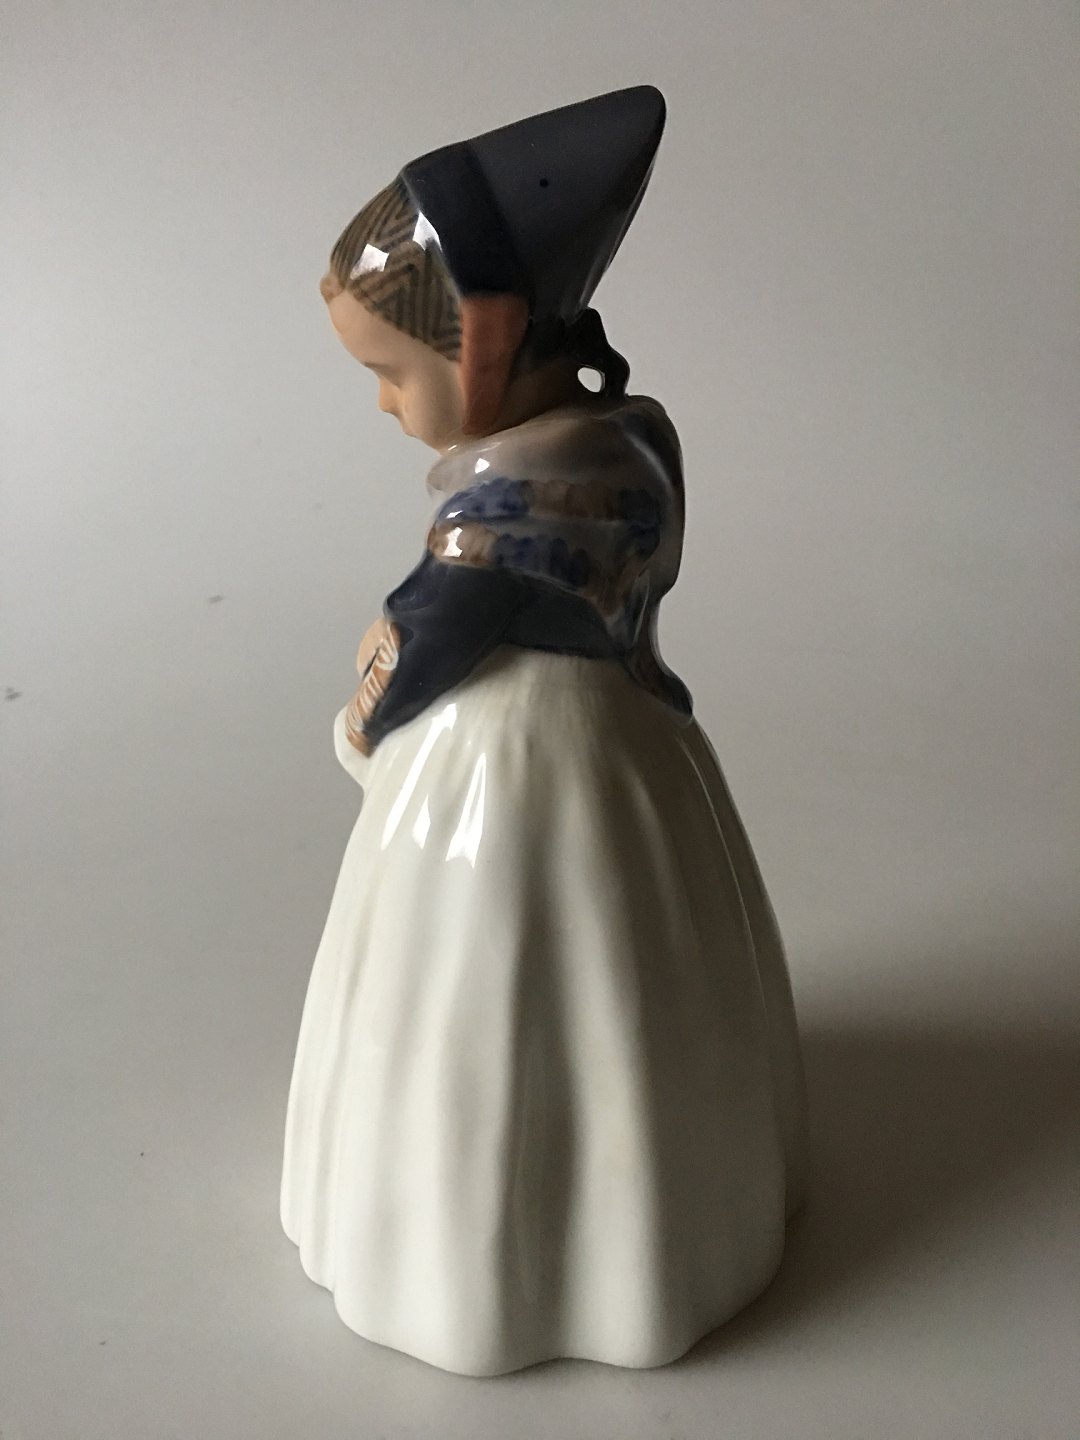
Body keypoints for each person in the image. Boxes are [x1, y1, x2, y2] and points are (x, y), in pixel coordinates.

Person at [280, 85, 808, 1376]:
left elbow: (421, 643)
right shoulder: (631, 454)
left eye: (392, 375)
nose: (384, 405)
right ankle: (661, 1178)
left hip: (502, 770)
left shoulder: (491, 534)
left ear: (486, 344)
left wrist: (363, 717)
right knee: (617, 979)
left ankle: (488, 1235)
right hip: (625, 742)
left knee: (480, 998)